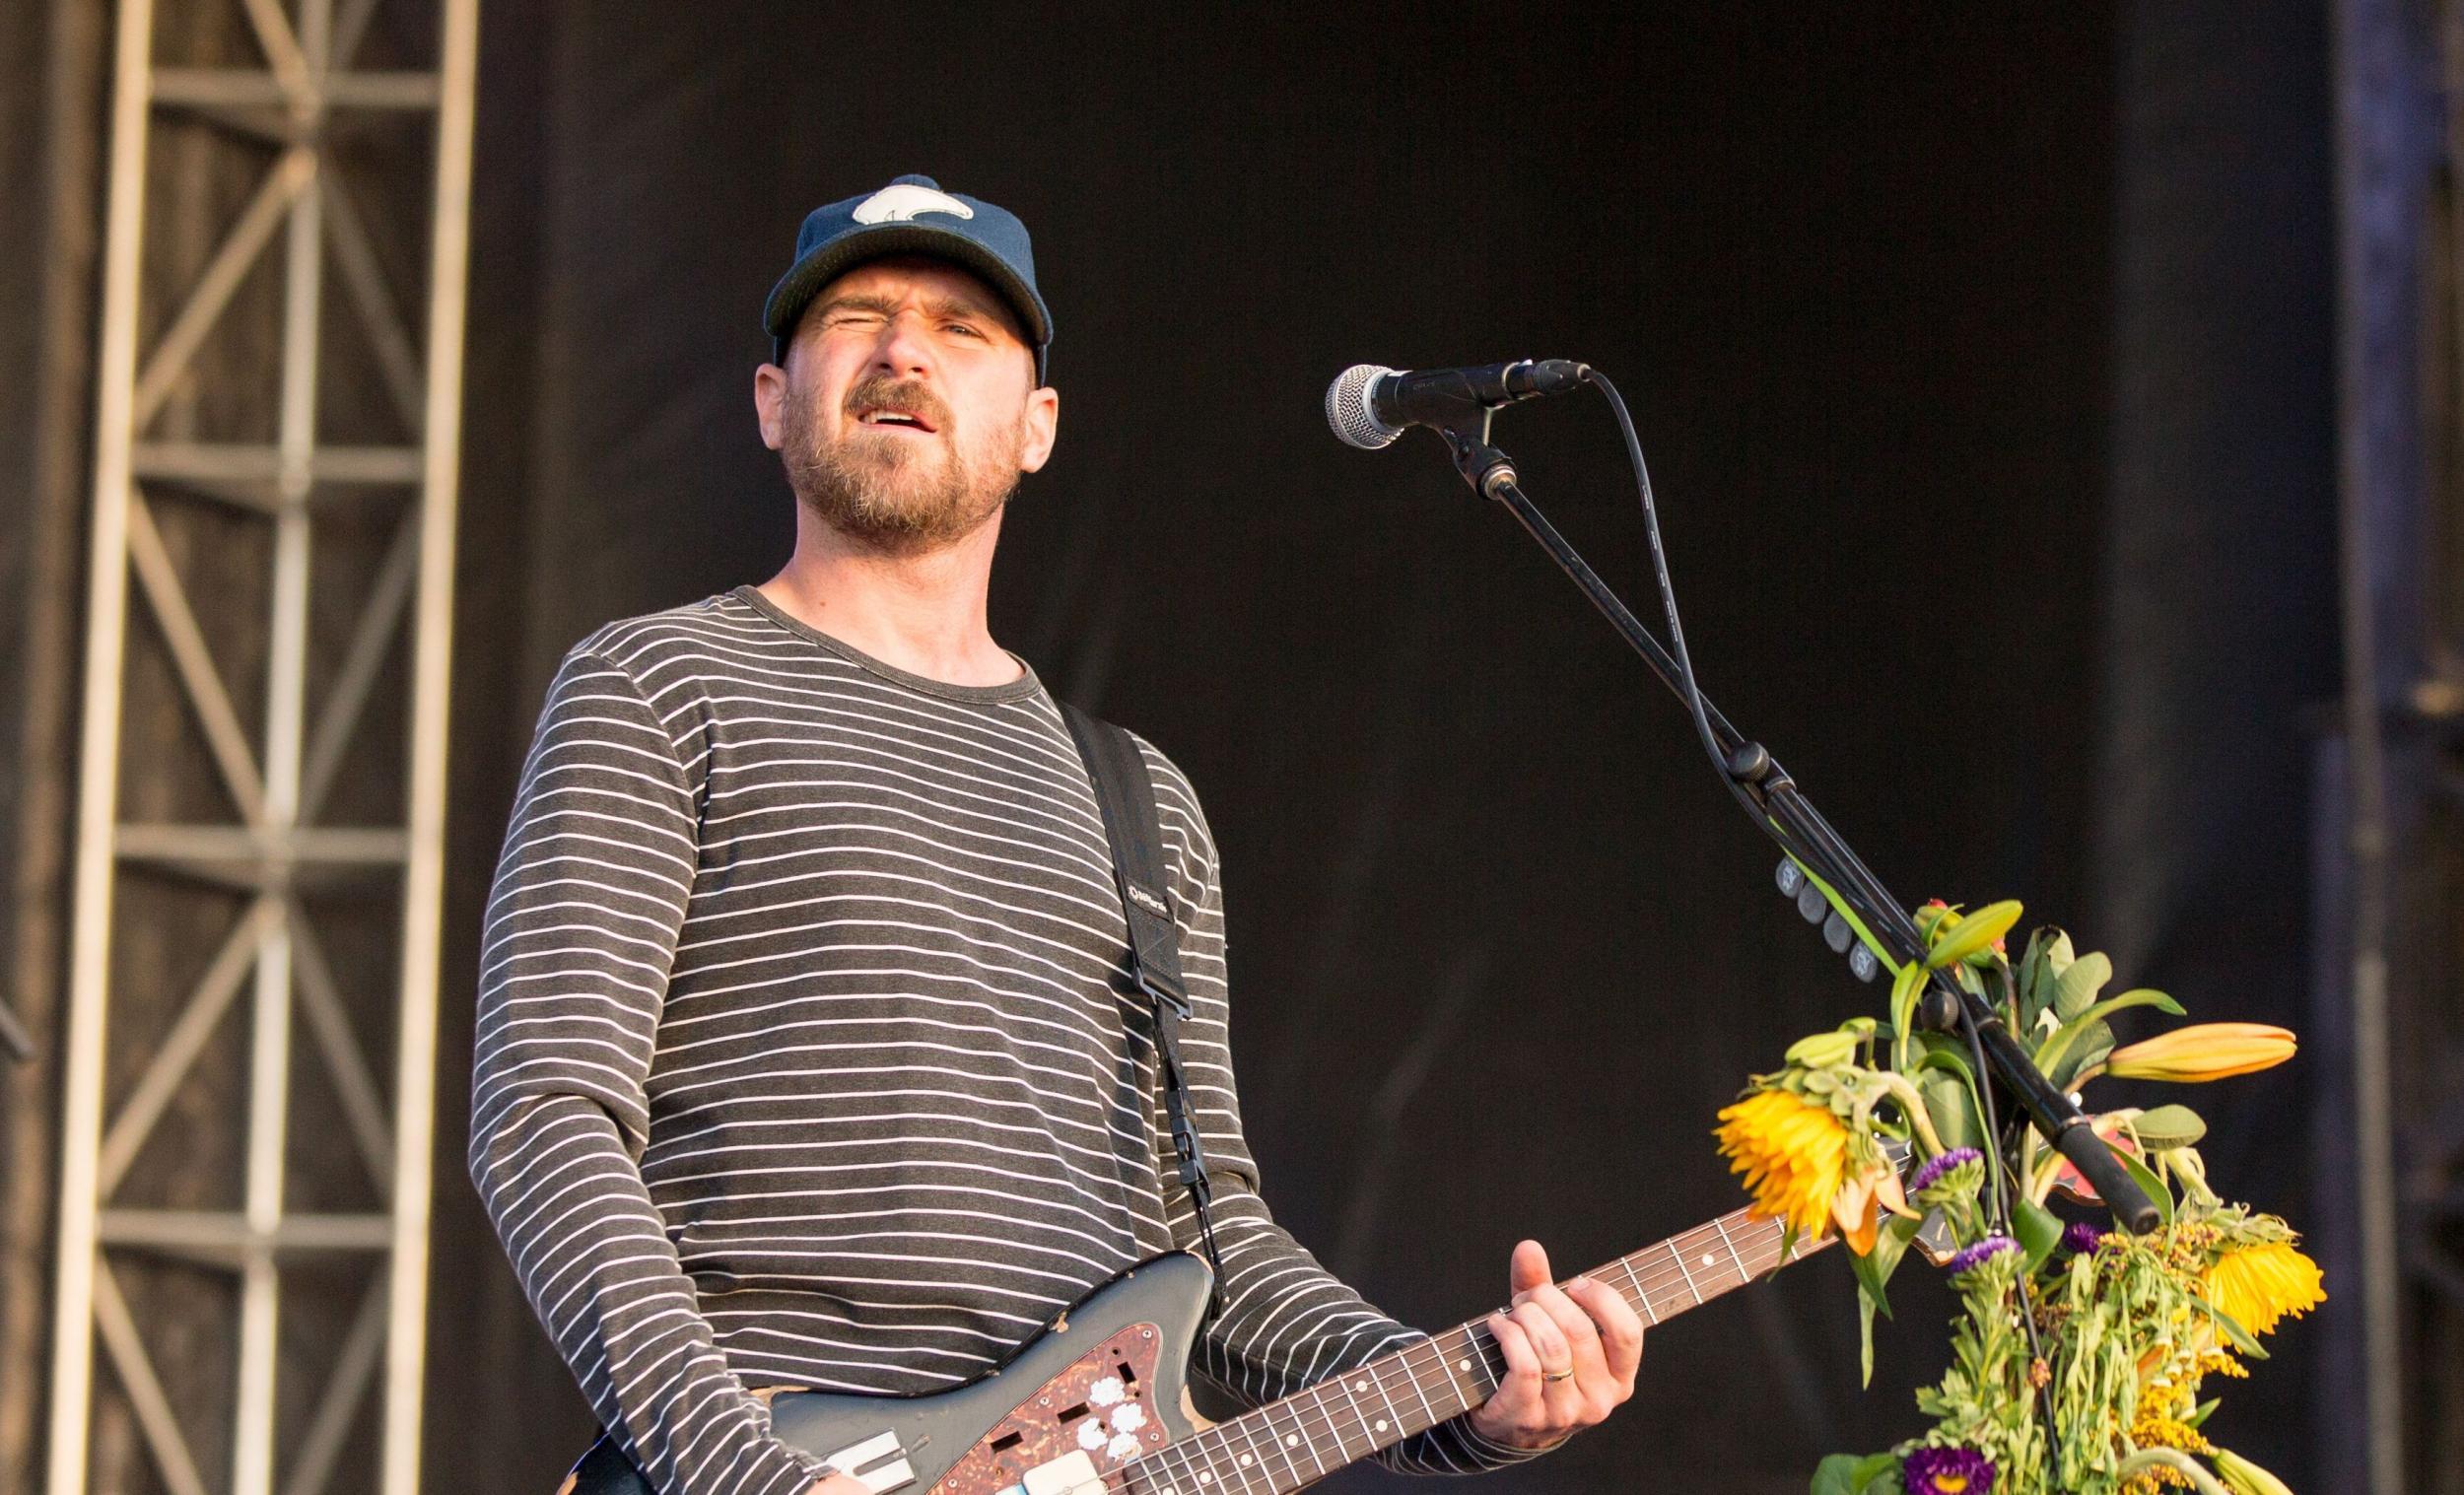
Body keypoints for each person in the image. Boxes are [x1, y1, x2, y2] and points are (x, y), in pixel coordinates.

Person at [469, 175, 1644, 1495]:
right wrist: (748, 1473)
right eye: (855, 315)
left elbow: (1219, 1247)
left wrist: (1461, 1395)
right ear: (769, 400)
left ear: (1036, 426)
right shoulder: (656, 688)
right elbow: (545, 1117)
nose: (903, 348)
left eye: (962, 328)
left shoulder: (1139, 802)